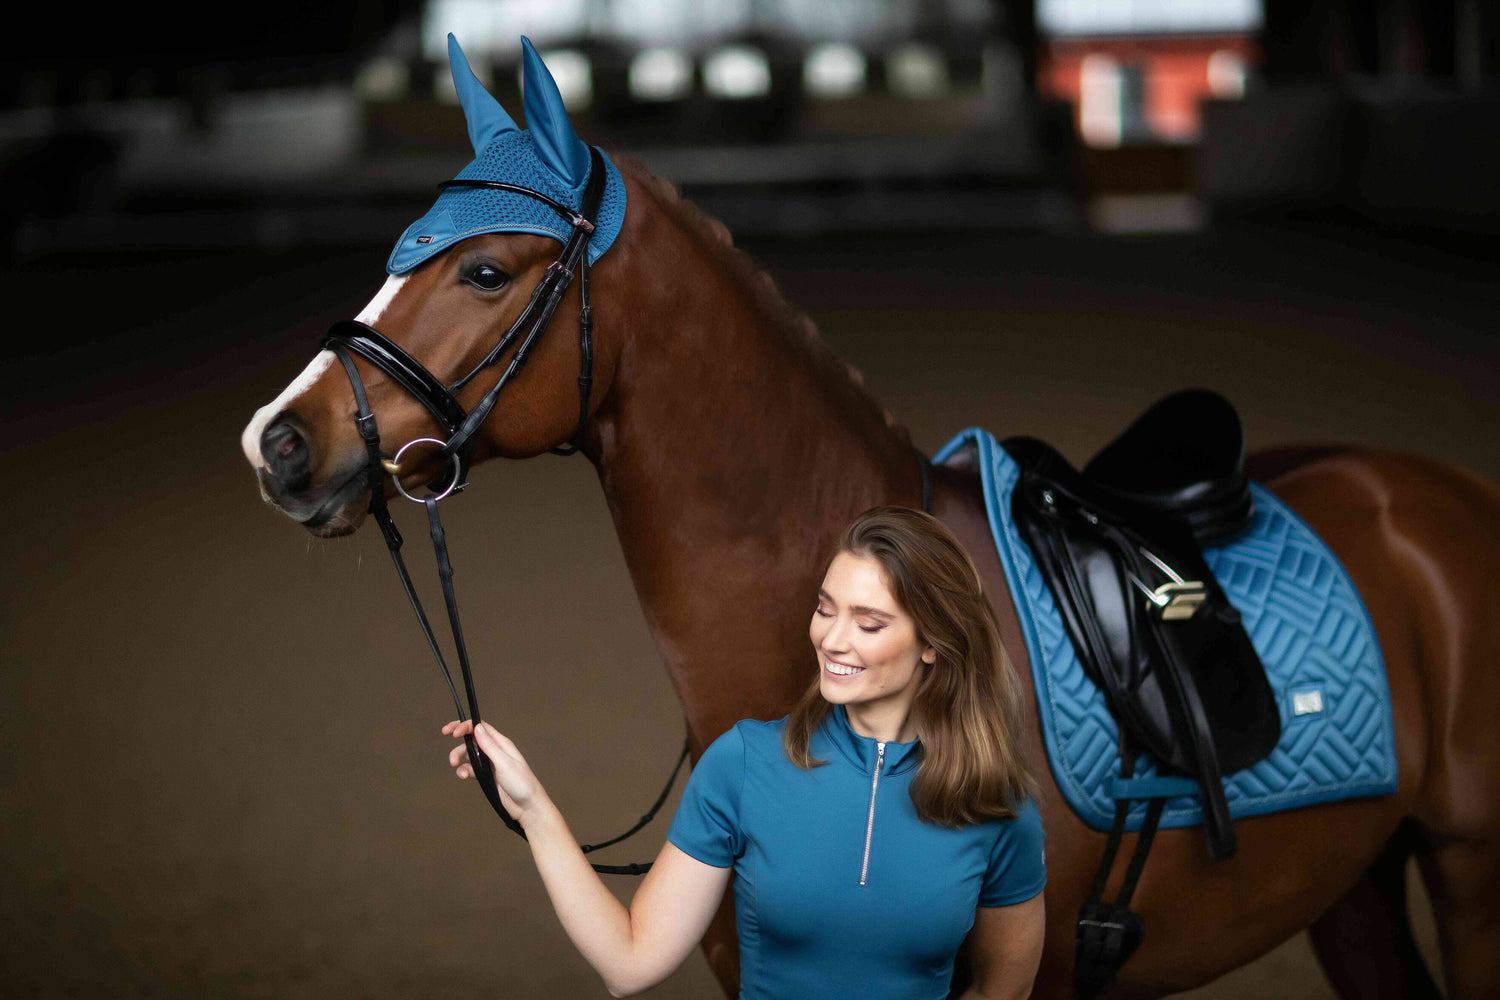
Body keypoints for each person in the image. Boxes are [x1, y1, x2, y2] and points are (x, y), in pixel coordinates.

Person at [444, 505, 1047, 999]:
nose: (831, 638)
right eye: (824, 607)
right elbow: (631, 962)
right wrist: (534, 811)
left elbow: (1004, 992)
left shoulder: (998, 803)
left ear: (933, 644)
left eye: (868, 623)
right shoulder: (744, 763)